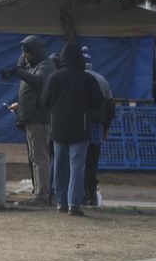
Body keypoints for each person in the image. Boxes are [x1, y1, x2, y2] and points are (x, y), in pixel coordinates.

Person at [41, 42, 105, 215]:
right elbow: (98, 102)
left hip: (59, 127)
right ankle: (74, 205)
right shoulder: (87, 79)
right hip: (80, 127)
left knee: (59, 165)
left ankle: (60, 202)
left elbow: (45, 101)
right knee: (77, 166)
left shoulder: (54, 77)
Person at [0, 35, 56, 206]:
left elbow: (39, 81)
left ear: (36, 52)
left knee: (40, 158)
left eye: (27, 53)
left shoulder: (46, 66)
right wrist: (20, 106)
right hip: (31, 119)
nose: (25, 56)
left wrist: (18, 72)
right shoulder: (33, 66)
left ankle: (42, 195)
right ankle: (39, 192)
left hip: (39, 120)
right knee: (35, 158)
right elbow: (33, 93)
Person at [81, 46, 114, 207]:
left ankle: (77, 194)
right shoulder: (102, 80)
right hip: (96, 126)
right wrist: (105, 128)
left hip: (77, 125)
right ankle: (91, 195)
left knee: (76, 160)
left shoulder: (75, 77)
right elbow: (110, 108)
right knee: (92, 162)